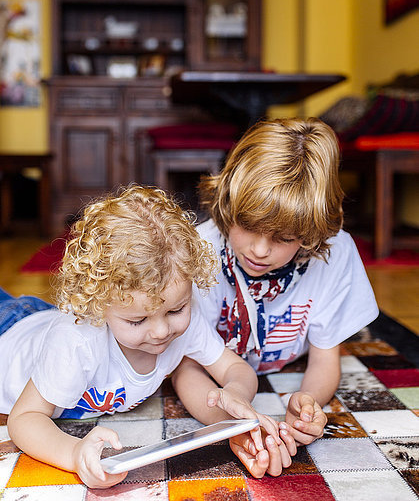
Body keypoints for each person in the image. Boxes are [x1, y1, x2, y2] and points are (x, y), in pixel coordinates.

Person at [1, 185, 290, 489]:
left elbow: (235, 368)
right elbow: (25, 418)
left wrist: (236, 393)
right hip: (9, 329)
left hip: (39, 321)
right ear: (98, 307)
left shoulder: (183, 321)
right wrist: (75, 454)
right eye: (138, 320)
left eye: (176, 310)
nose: (162, 331)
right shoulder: (76, 341)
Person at [171, 117, 379, 476]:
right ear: (228, 201)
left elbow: (325, 358)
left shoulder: (336, 253)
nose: (260, 250)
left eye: (283, 238)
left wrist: (309, 404)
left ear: (313, 233)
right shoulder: (195, 251)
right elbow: (184, 368)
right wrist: (230, 425)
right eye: (248, 226)